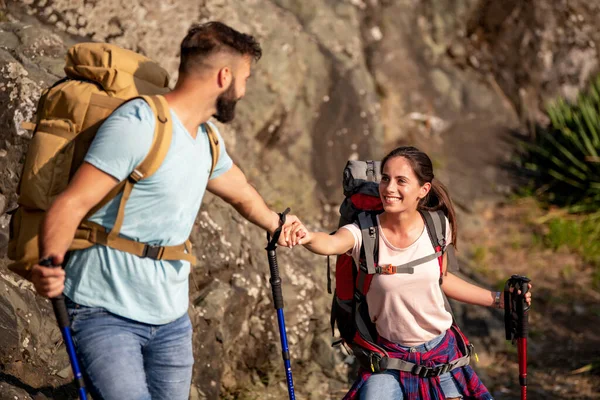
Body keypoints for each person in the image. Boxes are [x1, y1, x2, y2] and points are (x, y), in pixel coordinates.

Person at [29, 21, 300, 400]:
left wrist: (279, 225)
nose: (244, 90)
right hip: (104, 311)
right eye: (245, 78)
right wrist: (51, 263)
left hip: (171, 321)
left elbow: (240, 193)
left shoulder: (206, 138)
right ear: (225, 76)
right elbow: (72, 202)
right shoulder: (139, 123)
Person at [286, 146, 533, 400]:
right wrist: (306, 236)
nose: (389, 188)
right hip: (389, 359)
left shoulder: (437, 226)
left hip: (441, 354)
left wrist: (498, 299)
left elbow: (443, 279)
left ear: (423, 190)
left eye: (401, 180)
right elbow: (330, 243)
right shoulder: (365, 231)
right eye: (385, 178)